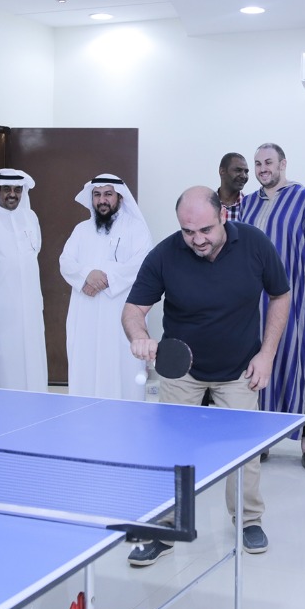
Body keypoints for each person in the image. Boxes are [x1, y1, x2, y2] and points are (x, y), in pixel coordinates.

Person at [122, 186, 291, 564]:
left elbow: (280, 295)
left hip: (239, 368)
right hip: (182, 371)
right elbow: (133, 309)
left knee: (244, 451)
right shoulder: (165, 254)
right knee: (172, 450)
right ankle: (166, 525)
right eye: (188, 231)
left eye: (206, 230)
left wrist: (266, 354)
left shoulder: (255, 245)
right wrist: (139, 336)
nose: (197, 239)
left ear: (223, 217)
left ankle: (248, 520)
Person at [239, 143, 305, 471]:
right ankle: (263, 440)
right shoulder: (247, 204)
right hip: (255, 307)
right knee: (257, 367)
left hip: (294, 307)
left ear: (282, 164)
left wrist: (296, 275)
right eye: (257, 164)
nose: (262, 168)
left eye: (268, 162)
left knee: (299, 368)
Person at [59, 174, 152, 399]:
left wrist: (107, 279)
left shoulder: (137, 229)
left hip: (120, 313)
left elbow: (143, 263)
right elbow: (65, 261)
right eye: (97, 195)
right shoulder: (81, 230)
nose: (102, 200)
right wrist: (86, 275)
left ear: (120, 197)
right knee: (86, 364)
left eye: (108, 194)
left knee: (120, 365)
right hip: (85, 314)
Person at [0, 169, 48, 392]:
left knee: (32, 353)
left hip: (30, 304)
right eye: (6, 189)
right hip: (0, 304)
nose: (12, 194)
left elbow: (34, 252)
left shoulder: (31, 217)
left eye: (17, 189)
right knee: (3, 357)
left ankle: (36, 399)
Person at [217, 152, 248, 220]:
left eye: (246, 172)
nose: (243, 176)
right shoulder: (208, 203)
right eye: (238, 170)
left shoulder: (250, 206)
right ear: (222, 171)